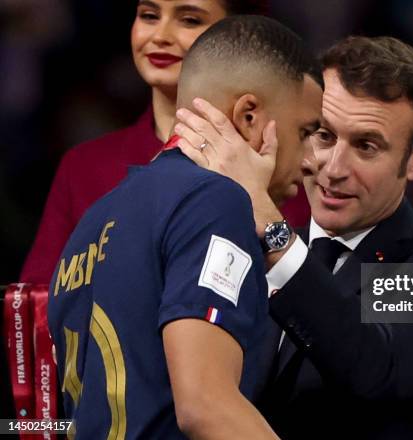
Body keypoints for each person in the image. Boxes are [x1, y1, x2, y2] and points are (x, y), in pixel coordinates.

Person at [176, 36, 413, 439]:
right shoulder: (245, 246)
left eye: (365, 146)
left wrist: (276, 239)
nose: (332, 168)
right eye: (322, 135)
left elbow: (375, 371)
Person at [48, 15, 323, 439]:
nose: (310, 160)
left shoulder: (93, 219)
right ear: (249, 116)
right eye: (305, 132)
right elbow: (206, 407)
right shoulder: (217, 201)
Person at [20, 0, 311, 285]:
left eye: (190, 20)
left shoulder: (294, 167)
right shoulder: (85, 166)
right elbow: (36, 305)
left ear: (244, 34)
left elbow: (346, 313)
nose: (160, 36)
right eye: (149, 15)